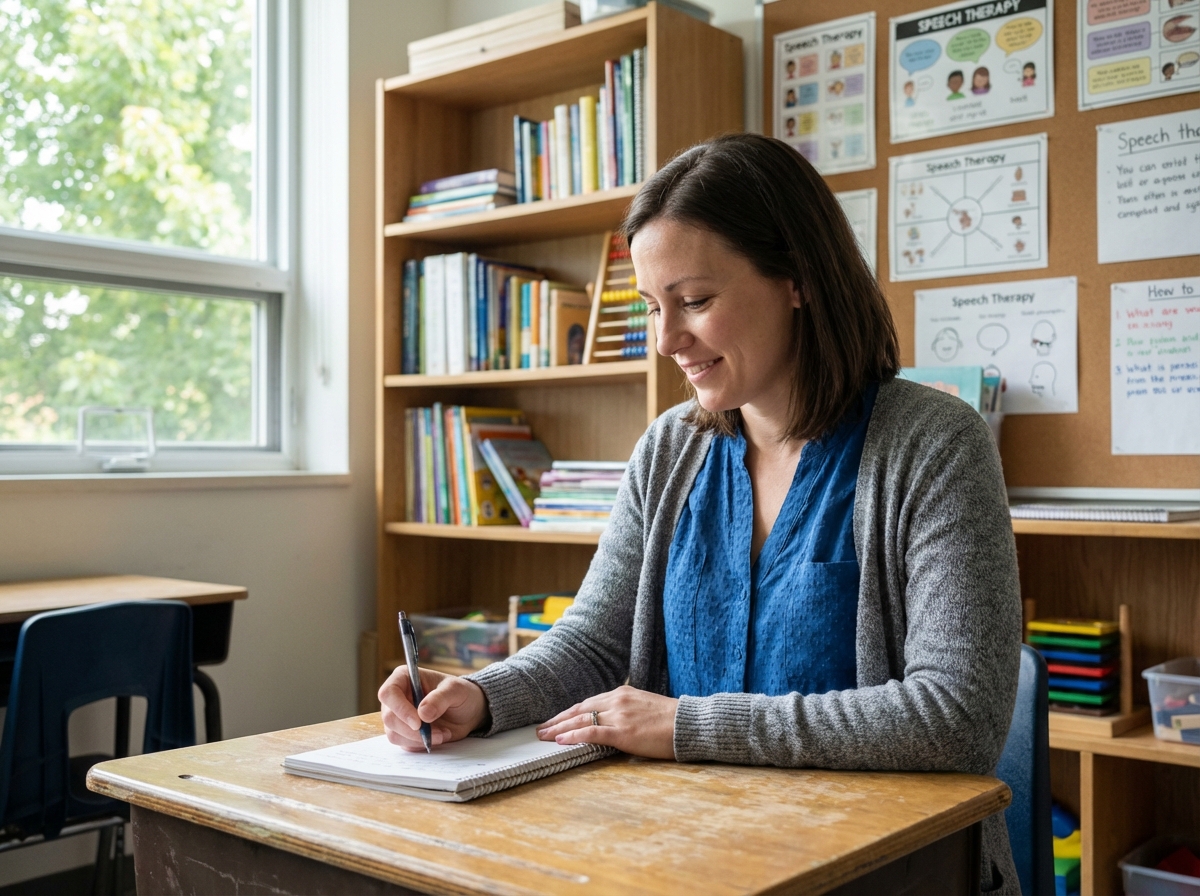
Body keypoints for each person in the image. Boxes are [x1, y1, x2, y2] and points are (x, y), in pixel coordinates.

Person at [378, 134, 1022, 895]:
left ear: (798, 280)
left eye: (695, 302)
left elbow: (957, 717)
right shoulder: (669, 450)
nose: (665, 340)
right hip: (682, 848)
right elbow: (594, 641)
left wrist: (687, 727)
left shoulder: (934, 445)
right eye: (654, 306)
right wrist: (485, 697)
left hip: (881, 865)